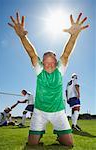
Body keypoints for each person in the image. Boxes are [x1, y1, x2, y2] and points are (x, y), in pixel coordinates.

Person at [8, 12, 89, 146]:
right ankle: (38, 133)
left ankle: (59, 135)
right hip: (39, 111)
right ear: (42, 63)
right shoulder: (39, 71)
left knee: (69, 144)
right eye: (45, 62)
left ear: (56, 62)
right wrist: (22, 37)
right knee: (32, 144)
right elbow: (32, 53)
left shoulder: (60, 70)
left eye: (52, 62)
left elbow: (67, 53)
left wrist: (74, 35)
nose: (49, 65)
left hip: (58, 112)